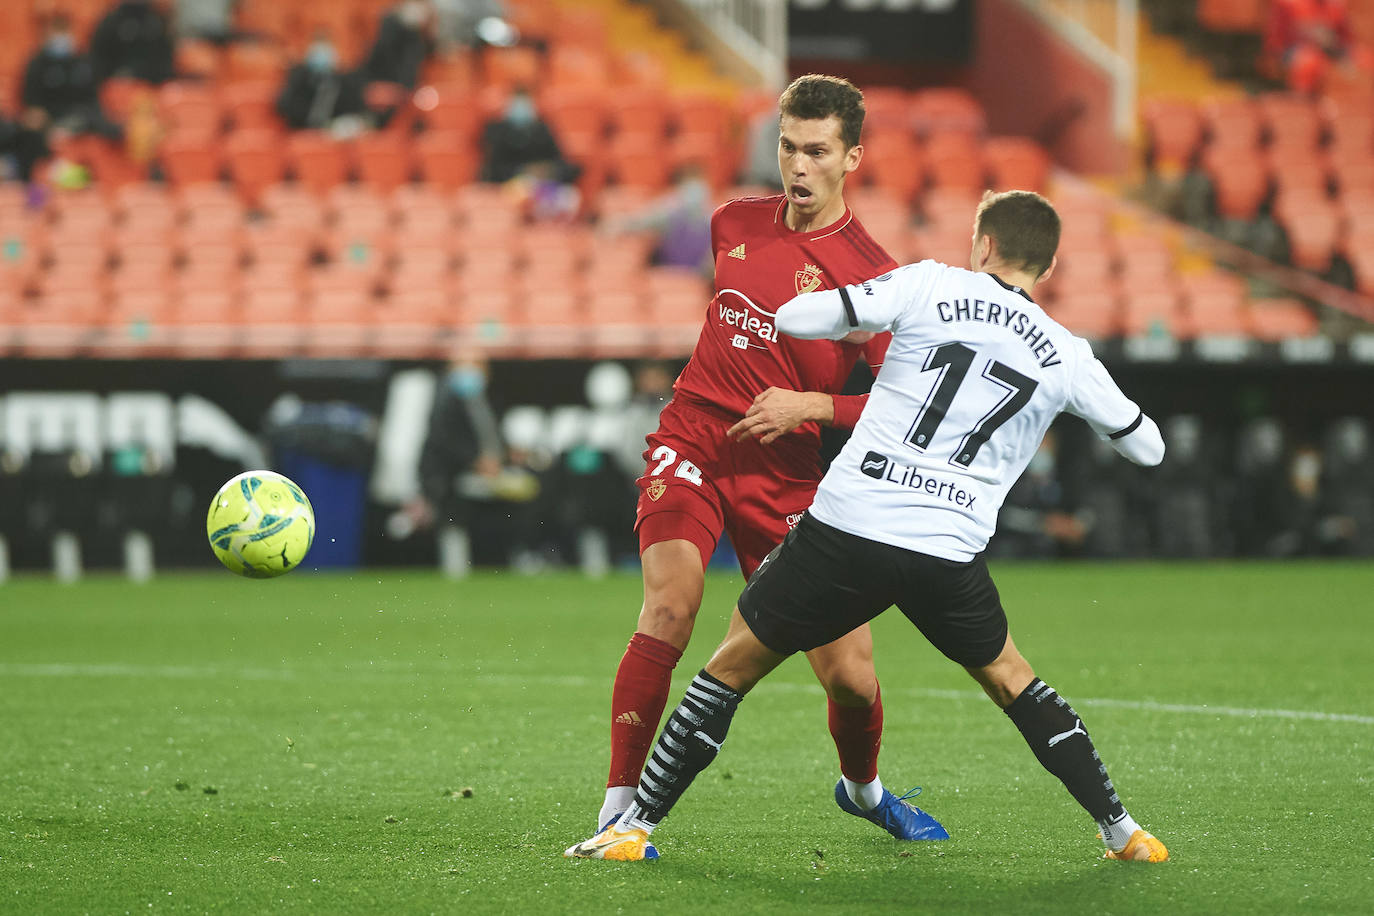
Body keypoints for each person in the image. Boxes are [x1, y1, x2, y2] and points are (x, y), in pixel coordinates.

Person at [568, 190, 1171, 864]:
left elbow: (799, 316)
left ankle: (635, 826)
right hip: (948, 546)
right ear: (1049, 267)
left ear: (985, 246)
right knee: (1011, 678)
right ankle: (1124, 832)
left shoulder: (928, 284)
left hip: (853, 524)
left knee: (733, 666)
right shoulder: (1066, 353)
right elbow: (1147, 446)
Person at [587, 74, 947, 857]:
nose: (798, 166)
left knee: (851, 677)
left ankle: (864, 792)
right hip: (695, 441)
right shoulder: (732, 223)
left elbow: (911, 409)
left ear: (852, 156)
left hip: (787, 477)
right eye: (788, 146)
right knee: (670, 609)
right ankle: (618, 810)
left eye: (816, 151)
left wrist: (813, 408)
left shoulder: (873, 277)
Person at [1263, 0, 1373, 94]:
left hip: (1330, 49)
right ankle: (1302, 101)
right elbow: (1276, 41)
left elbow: (1346, 39)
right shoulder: (1287, 3)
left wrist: (1343, 55)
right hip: (1293, 50)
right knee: (1310, 61)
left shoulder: (1335, 5)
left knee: (1366, 58)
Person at [275, 33, 368, 131]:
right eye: (318, 50)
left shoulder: (345, 81)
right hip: (301, 130)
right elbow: (284, 105)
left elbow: (353, 108)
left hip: (330, 131)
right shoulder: (298, 78)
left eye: (326, 50)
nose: (322, 55)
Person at [90, 0, 176, 86]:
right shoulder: (111, 22)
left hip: (150, 86)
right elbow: (99, 60)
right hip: (115, 84)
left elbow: (164, 61)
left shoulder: (155, 22)